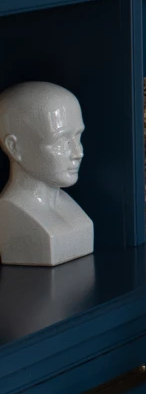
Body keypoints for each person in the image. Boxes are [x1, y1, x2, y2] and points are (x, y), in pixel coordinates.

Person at [0, 80, 94, 264]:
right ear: (15, 147)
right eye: (61, 141)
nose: (78, 152)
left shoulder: (70, 209)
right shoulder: (12, 215)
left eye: (78, 136)